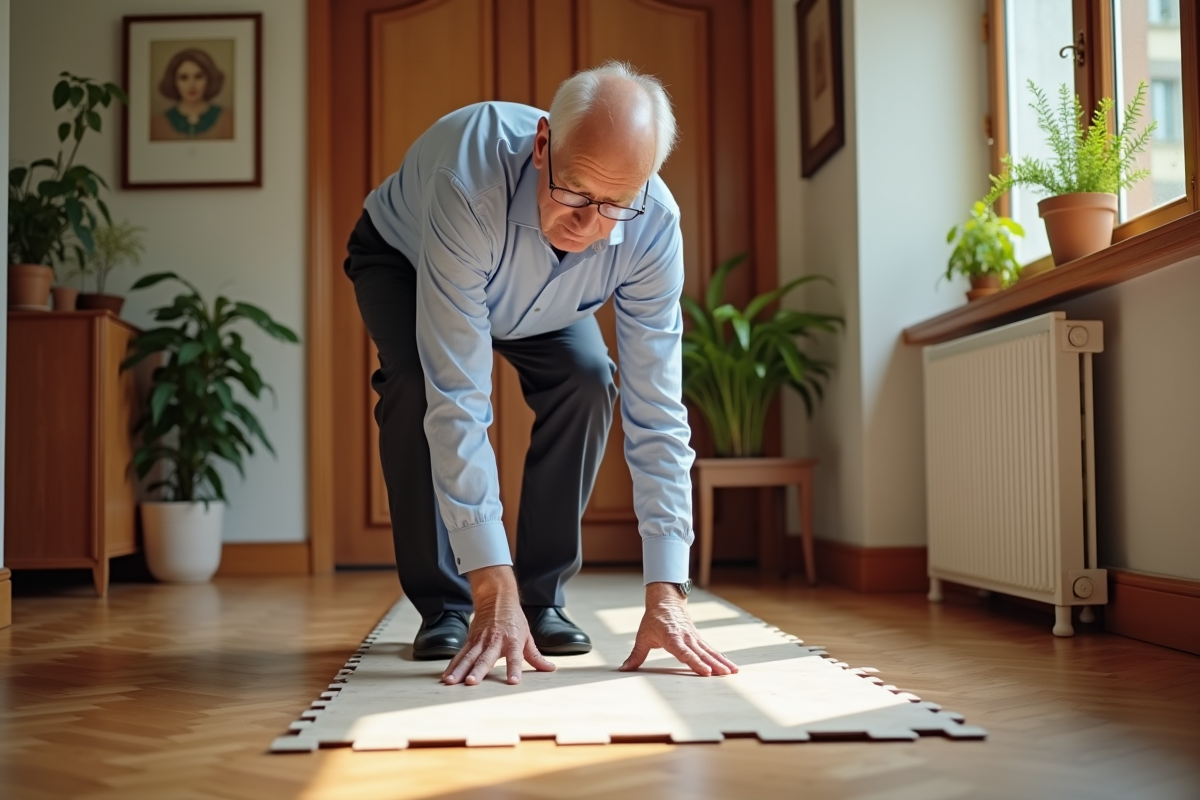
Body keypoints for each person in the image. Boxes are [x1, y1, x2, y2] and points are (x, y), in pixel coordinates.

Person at [344, 61, 738, 687]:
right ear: (543, 144)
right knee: (418, 388)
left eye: (614, 204)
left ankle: (540, 597)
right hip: (410, 259)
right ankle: (449, 604)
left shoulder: (653, 224)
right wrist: (488, 582)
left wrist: (668, 589)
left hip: (550, 298)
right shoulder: (468, 178)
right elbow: (458, 400)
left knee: (588, 379)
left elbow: (658, 411)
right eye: (575, 191)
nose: (588, 224)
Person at [150, 48, 234, 141]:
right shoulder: (157, 123)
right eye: (183, 78)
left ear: (209, 79)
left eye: (198, 77)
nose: (191, 85)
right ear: (173, 81)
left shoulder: (228, 118)